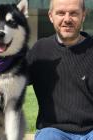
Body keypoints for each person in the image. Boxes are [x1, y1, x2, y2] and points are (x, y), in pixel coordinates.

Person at [27, 0, 93, 139]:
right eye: (61, 13)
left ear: (83, 16)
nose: (67, 19)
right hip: (53, 131)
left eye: (74, 13)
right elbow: (12, 78)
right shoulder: (40, 50)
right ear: (51, 16)